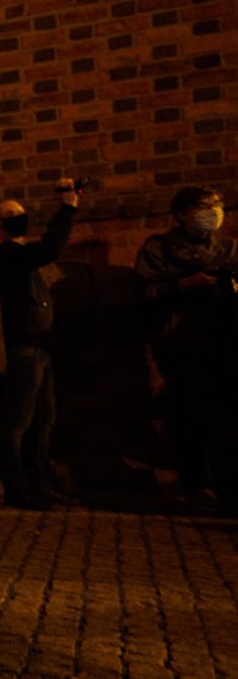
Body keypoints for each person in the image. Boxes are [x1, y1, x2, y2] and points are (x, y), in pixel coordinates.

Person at [134, 187, 237, 506]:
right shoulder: (160, 248)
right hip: (181, 343)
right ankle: (197, 484)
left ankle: (227, 483)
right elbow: (143, 292)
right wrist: (182, 285)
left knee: (225, 412)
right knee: (190, 413)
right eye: (203, 207)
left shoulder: (228, 248)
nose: (213, 212)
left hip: (225, 338)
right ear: (180, 214)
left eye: (217, 205)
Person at [0, 179, 80, 508]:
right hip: (21, 349)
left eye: (20, 212)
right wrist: (68, 207)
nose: (18, 216)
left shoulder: (23, 256)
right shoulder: (6, 255)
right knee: (16, 422)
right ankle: (16, 487)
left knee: (42, 421)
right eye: (9, 213)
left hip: (40, 348)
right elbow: (49, 249)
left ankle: (38, 483)